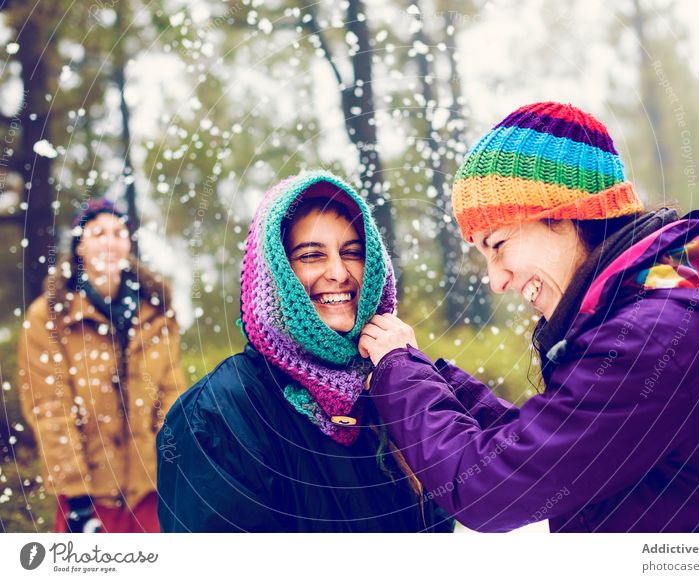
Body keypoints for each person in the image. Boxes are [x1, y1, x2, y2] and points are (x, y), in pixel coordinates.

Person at [358, 102, 699, 533]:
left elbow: (489, 488)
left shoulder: (651, 339)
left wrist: (400, 374)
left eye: (497, 245)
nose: (496, 280)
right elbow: (544, 443)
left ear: (566, 216)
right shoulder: (655, 316)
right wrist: (428, 374)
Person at [157, 171, 453, 532]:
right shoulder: (218, 414)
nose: (338, 272)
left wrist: (411, 380)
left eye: (352, 253)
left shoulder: (391, 384)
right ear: (274, 275)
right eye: (312, 255)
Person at [18, 198, 186, 533]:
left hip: (151, 490)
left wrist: (172, 469)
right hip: (89, 492)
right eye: (97, 233)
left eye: (118, 232)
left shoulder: (156, 313)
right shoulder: (48, 317)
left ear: (128, 244)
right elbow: (50, 407)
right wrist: (77, 496)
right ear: (79, 246)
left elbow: (172, 395)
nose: (110, 241)